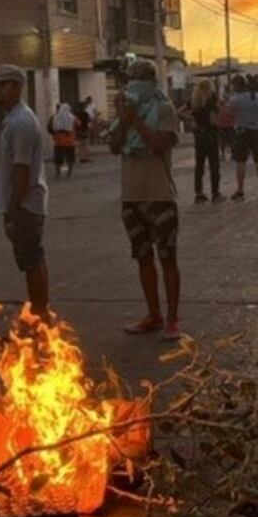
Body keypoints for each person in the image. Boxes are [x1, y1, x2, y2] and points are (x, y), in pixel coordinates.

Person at [109, 59, 182, 340]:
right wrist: (122, 121)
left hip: (160, 195)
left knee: (167, 258)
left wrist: (135, 121)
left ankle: (173, 318)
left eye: (139, 80)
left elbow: (158, 145)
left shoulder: (164, 109)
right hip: (131, 196)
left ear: (151, 83)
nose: (134, 85)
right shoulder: (124, 114)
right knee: (142, 257)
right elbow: (114, 147)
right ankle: (153, 313)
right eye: (131, 80)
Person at [0, 64, 51, 317]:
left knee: (32, 261)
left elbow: (22, 169)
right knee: (32, 261)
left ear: (16, 87)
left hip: (25, 205)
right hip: (25, 203)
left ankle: (40, 314)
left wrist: (14, 208)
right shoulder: (13, 119)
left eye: (1, 85)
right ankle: (40, 313)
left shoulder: (20, 122)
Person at [228, 74, 258, 200]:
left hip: (241, 133)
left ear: (236, 85)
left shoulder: (234, 99)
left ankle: (240, 190)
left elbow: (231, 114)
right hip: (256, 131)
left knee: (241, 162)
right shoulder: (257, 97)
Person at [188, 79, 223, 203]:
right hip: (211, 135)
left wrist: (193, 121)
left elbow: (180, 112)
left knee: (199, 166)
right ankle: (216, 193)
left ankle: (199, 193)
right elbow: (213, 120)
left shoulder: (194, 101)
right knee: (214, 165)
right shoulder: (211, 101)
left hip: (199, 136)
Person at [50, 102, 79, 179]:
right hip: (70, 142)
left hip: (58, 142)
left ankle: (58, 174)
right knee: (70, 159)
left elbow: (51, 128)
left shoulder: (55, 117)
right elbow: (79, 125)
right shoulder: (73, 118)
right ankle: (69, 174)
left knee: (58, 159)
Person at [77, 96, 94, 162]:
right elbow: (89, 120)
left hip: (80, 130)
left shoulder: (78, 114)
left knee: (80, 144)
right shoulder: (85, 114)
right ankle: (86, 157)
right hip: (85, 129)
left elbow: (77, 122)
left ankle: (81, 158)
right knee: (86, 144)